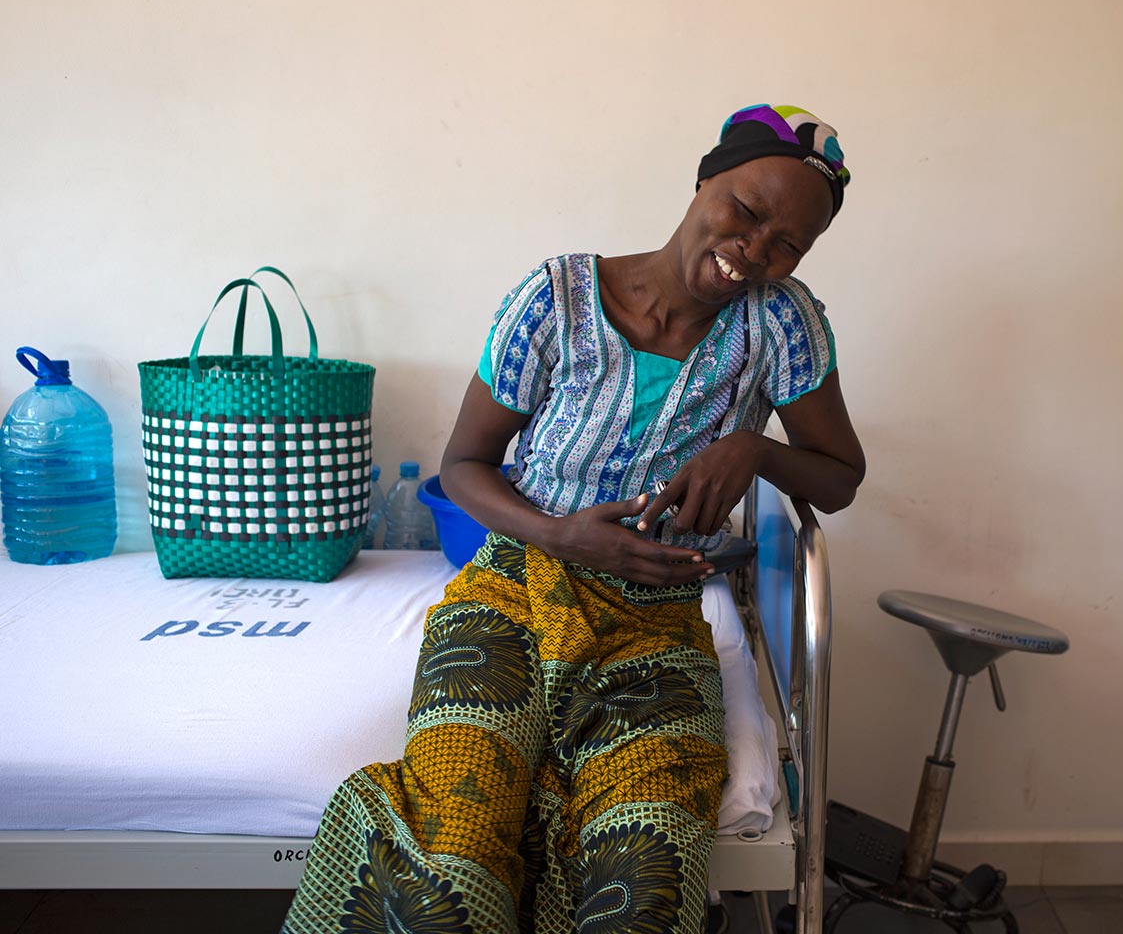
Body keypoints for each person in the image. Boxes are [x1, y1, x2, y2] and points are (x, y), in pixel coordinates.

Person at [283, 104, 865, 934]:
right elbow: (464, 465)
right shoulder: (555, 300)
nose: (756, 249)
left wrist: (755, 449)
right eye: (746, 209)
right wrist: (561, 532)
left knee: (650, 863)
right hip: (510, 597)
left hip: (653, 628)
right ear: (706, 179)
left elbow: (841, 476)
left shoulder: (783, 325)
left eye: (788, 244)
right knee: (454, 849)